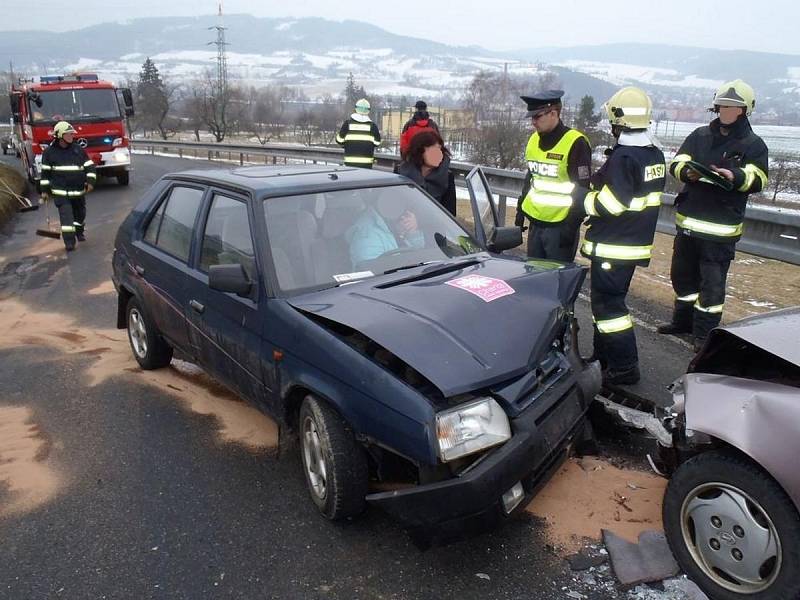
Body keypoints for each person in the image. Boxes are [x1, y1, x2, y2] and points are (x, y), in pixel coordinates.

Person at [658, 80, 768, 351]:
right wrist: (687, 172)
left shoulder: (753, 144)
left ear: (744, 111)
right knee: (682, 279)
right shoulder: (699, 136)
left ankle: (704, 334)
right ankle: (682, 322)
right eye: (722, 106)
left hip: (720, 230)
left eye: (733, 107)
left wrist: (736, 175)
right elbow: (678, 162)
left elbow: (760, 178)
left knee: (712, 287)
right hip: (689, 226)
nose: (726, 112)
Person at [580, 87, 666, 385]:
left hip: (614, 246)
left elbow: (612, 204)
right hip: (631, 244)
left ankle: (624, 367)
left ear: (619, 121)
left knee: (609, 308)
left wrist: (584, 202)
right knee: (606, 306)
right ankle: (603, 359)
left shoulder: (625, 157)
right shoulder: (653, 154)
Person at [515, 90, 592, 262]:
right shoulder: (533, 140)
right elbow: (532, 177)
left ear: (553, 113)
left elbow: (582, 189)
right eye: (531, 117)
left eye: (537, 116)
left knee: (556, 281)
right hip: (536, 224)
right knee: (534, 277)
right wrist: (520, 211)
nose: (533, 122)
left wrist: (571, 228)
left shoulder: (575, 142)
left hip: (561, 227)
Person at [39, 121, 96, 251]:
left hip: (78, 191)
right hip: (61, 192)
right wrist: (44, 191)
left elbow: (90, 167)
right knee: (67, 218)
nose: (71, 136)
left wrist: (91, 182)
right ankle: (69, 242)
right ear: (59, 135)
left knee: (80, 215)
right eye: (68, 134)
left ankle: (79, 231)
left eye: (72, 134)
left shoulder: (78, 150)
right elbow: (45, 174)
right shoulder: (49, 153)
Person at [346, 195, 424, 267]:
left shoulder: (395, 222)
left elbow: (421, 256)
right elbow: (372, 274)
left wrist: (412, 232)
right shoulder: (367, 236)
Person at [397, 130, 456, 216]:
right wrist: (401, 221)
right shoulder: (401, 172)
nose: (439, 154)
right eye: (433, 150)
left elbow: (449, 215)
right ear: (419, 152)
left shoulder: (447, 177)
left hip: (433, 227)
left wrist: (419, 221)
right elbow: (393, 205)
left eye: (439, 149)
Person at [336, 98, 381, 169]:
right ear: (368, 111)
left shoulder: (347, 124)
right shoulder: (372, 126)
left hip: (349, 163)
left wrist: (346, 145)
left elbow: (339, 140)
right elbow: (377, 143)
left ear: (355, 109)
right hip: (367, 164)